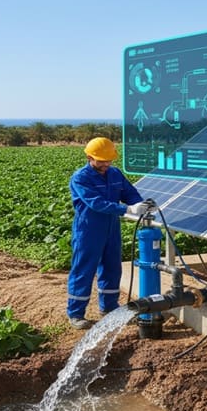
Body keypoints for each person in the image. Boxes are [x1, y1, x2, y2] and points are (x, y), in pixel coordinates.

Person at [66, 137, 155, 329]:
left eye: (109, 160)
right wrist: (127, 210)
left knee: (112, 268)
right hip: (88, 229)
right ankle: (76, 314)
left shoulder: (114, 174)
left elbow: (129, 193)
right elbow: (95, 203)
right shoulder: (81, 178)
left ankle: (109, 308)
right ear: (90, 157)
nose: (106, 164)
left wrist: (140, 204)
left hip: (111, 228)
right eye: (101, 161)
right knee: (84, 270)